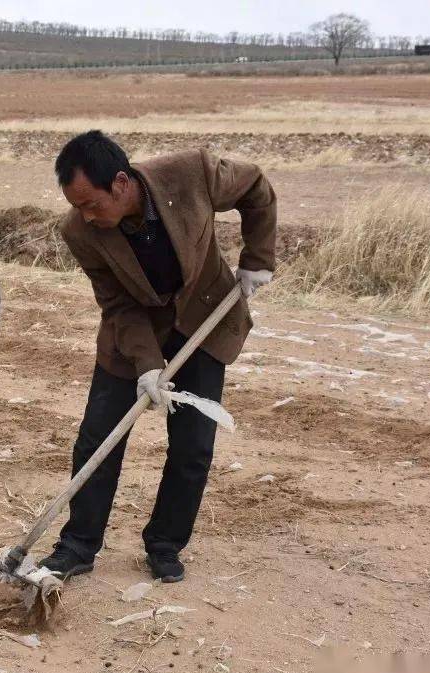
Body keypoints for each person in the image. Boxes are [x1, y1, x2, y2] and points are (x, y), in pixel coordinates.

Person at [40, 130, 277, 582]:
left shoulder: (192, 173)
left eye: (92, 203)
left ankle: (165, 544)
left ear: (122, 183)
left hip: (202, 323)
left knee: (192, 447)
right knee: (98, 438)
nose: (85, 216)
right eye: (76, 206)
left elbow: (255, 188)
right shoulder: (80, 231)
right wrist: (147, 364)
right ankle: (77, 544)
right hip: (133, 335)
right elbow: (117, 304)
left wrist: (257, 257)